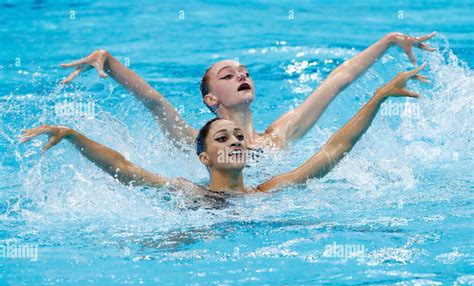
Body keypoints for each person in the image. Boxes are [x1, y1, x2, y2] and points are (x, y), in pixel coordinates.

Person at [21, 64, 428, 197]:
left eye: (237, 138)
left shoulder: (269, 191)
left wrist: (378, 97)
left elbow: (334, 150)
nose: (235, 141)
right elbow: (123, 168)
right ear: (204, 157)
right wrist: (75, 137)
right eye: (222, 138)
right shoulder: (187, 192)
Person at [59, 33, 436, 151]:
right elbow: (154, 100)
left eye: (244, 72)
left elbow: (336, 82)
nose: (241, 76)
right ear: (211, 99)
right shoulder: (197, 142)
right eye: (228, 75)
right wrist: (108, 61)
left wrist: (387, 42)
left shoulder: (280, 135)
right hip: (213, 216)